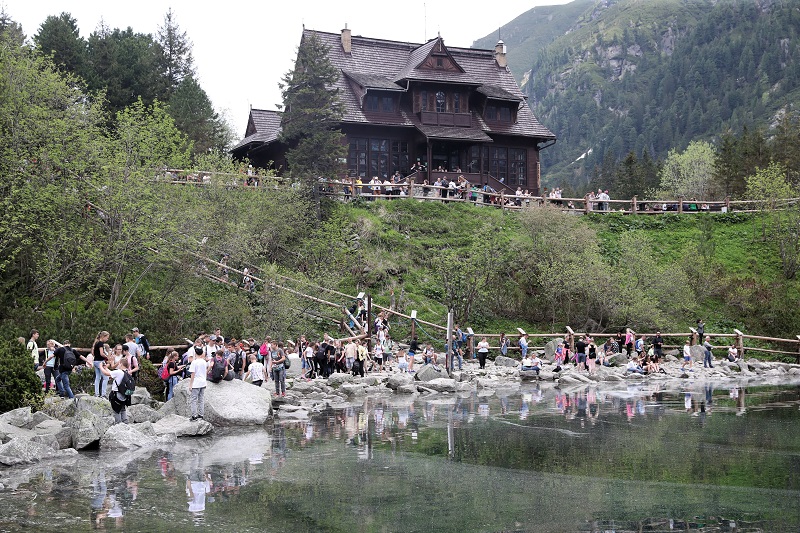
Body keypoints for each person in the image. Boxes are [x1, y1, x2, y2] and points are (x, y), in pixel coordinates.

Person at [100, 357, 132, 425]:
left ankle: (119, 425)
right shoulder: (127, 372)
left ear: (121, 363)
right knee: (123, 409)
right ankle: (126, 424)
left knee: (116, 410)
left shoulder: (119, 372)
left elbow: (106, 374)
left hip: (116, 395)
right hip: (124, 395)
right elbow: (112, 373)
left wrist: (101, 367)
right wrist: (106, 368)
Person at [188, 347, 208, 421]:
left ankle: (194, 415)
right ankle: (201, 415)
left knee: (193, 399)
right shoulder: (204, 361)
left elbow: (193, 374)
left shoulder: (194, 362)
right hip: (203, 382)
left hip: (196, 383)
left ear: (195, 353)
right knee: (201, 399)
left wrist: (190, 384)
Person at [93, 331, 111, 397]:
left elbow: (94, 353)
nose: (107, 339)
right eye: (107, 338)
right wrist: (107, 357)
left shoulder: (96, 343)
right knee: (106, 377)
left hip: (95, 361)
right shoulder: (100, 343)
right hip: (100, 361)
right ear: (103, 337)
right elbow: (101, 353)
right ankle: (103, 394)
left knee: (98, 377)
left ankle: (97, 393)